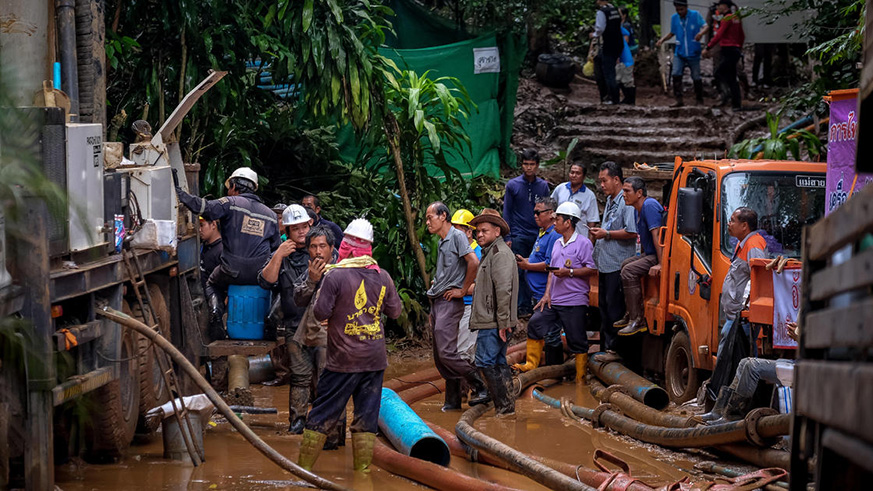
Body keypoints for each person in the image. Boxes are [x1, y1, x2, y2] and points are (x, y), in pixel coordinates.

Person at [297, 218, 402, 472]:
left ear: (346, 246)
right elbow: (395, 312)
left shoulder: (335, 276)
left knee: (322, 413)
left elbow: (321, 313)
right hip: (374, 360)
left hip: (343, 360)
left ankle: (301, 472)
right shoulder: (383, 276)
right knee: (366, 418)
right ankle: (362, 476)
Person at [173, 167, 281, 337]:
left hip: (231, 270)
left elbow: (203, 207)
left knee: (212, 283)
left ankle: (216, 315)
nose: (229, 190)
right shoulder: (271, 215)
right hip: (260, 274)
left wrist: (180, 193)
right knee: (281, 283)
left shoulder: (230, 203)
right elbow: (275, 249)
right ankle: (271, 318)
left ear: (234, 186)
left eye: (229, 187)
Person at [514, 202, 596, 385]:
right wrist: (547, 294)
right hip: (554, 299)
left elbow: (591, 269)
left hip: (574, 301)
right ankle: (530, 365)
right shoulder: (557, 243)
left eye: (557, 219)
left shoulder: (583, 243)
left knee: (577, 340)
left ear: (568, 222)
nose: (554, 221)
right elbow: (551, 269)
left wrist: (570, 272)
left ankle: (580, 378)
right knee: (535, 323)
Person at [425, 202, 490, 411]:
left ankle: (479, 385)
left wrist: (462, 290)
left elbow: (473, 262)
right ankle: (452, 401)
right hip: (439, 300)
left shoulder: (457, 236)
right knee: (440, 356)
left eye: (430, 218)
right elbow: (443, 274)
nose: (427, 222)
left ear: (443, 216)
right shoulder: (442, 242)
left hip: (452, 302)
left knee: (447, 353)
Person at [258, 204, 315, 426]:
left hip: (322, 323)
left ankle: (322, 423)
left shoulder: (321, 248)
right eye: (296, 228)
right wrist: (279, 255)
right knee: (300, 375)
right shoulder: (281, 255)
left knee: (324, 375)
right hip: (295, 324)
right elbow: (265, 281)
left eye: (304, 227)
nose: (302, 232)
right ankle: (297, 422)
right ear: (288, 231)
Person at [468, 209, 518, 417]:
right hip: (494, 319)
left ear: (497, 231)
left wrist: (503, 323)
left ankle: (504, 409)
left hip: (493, 321)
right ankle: (506, 407)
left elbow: (503, 289)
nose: (479, 235)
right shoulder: (492, 253)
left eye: (484, 231)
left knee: (485, 362)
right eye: (477, 231)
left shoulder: (499, 255)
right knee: (497, 361)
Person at [702, 322, 798, 424]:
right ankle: (719, 410)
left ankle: (734, 416)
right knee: (744, 362)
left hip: (805, 370)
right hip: (798, 364)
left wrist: (799, 337)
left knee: (752, 367)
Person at [590, 162, 638, 362]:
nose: (602, 185)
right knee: (604, 308)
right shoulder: (610, 200)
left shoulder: (626, 202)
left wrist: (606, 233)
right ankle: (605, 348)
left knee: (614, 308)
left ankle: (616, 352)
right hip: (605, 263)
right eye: (600, 181)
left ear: (616, 179)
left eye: (604, 180)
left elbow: (631, 232)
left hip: (617, 264)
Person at [502, 149, 551, 318]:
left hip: (538, 234)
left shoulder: (543, 186)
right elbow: (507, 211)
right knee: (519, 270)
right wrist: (507, 236)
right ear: (521, 165)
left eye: (532, 164)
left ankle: (536, 302)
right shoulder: (513, 185)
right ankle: (522, 306)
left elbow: (547, 209)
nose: (529, 168)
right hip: (519, 233)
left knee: (538, 267)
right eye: (525, 164)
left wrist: (547, 231)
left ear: (537, 166)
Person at [614, 177, 663, 336]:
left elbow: (657, 236)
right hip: (650, 253)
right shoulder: (637, 208)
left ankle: (637, 319)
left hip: (658, 254)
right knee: (625, 264)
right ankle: (630, 312)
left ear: (639, 193)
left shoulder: (649, 206)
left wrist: (661, 264)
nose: (623, 194)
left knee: (629, 270)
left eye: (627, 191)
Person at [516, 197, 562, 365]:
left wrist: (527, 265)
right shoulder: (542, 232)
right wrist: (526, 261)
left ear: (550, 214)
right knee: (545, 330)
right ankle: (546, 366)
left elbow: (551, 265)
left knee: (550, 332)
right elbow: (539, 258)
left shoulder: (554, 234)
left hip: (547, 292)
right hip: (537, 292)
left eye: (538, 212)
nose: (534, 215)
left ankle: (554, 370)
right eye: (534, 212)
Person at [717, 207, 768, 355]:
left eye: (732, 221)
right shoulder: (743, 243)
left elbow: (758, 279)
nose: (729, 224)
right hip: (737, 316)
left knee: (731, 355)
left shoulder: (754, 245)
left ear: (744, 225)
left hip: (742, 317)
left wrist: (747, 310)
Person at [656, 0, 709, 107]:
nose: (680, 12)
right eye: (678, 10)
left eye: (682, 9)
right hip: (679, 52)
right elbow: (672, 32)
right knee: (676, 73)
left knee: (696, 76)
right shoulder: (674, 18)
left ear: (686, 7)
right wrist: (662, 39)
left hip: (693, 51)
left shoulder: (695, 15)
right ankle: (678, 99)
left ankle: (699, 99)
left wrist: (701, 33)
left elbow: (706, 26)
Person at [451, 209, 482, 365]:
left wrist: (458, 289)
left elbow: (482, 287)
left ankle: (474, 385)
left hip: (471, 306)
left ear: (469, 232)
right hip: (456, 305)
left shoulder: (479, 253)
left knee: (464, 352)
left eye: (458, 231)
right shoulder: (455, 251)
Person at [703, 0, 744, 110]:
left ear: (725, 6)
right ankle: (736, 104)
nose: (718, 8)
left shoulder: (727, 18)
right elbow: (741, 35)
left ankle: (726, 95)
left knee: (719, 72)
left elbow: (718, 34)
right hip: (734, 50)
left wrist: (708, 47)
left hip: (729, 50)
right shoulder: (735, 18)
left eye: (719, 6)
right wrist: (739, 47)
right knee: (731, 77)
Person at [551, 162, 600, 239]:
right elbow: (551, 209)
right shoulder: (560, 189)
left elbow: (591, 223)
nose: (574, 175)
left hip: (579, 238)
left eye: (578, 173)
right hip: (558, 237)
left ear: (584, 177)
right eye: (572, 172)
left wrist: (589, 243)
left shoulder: (590, 196)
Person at [591, 0, 624, 105]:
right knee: (613, 71)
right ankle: (615, 97)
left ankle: (613, 98)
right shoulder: (615, 10)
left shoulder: (602, 12)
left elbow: (600, 28)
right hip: (618, 43)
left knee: (609, 73)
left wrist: (594, 34)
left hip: (608, 44)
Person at [617, 7, 636, 105]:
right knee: (620, 77)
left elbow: (626, 40)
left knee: (627, 77)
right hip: (624, 55)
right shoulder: (622, 25)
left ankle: (630, 100)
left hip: (626, 55)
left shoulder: (625, 26)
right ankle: (627, 98)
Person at [199, 216, 223, 293]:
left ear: (213, 225)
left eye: (202, 225)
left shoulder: (222, 251)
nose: (199, 230)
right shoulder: (202, 247)